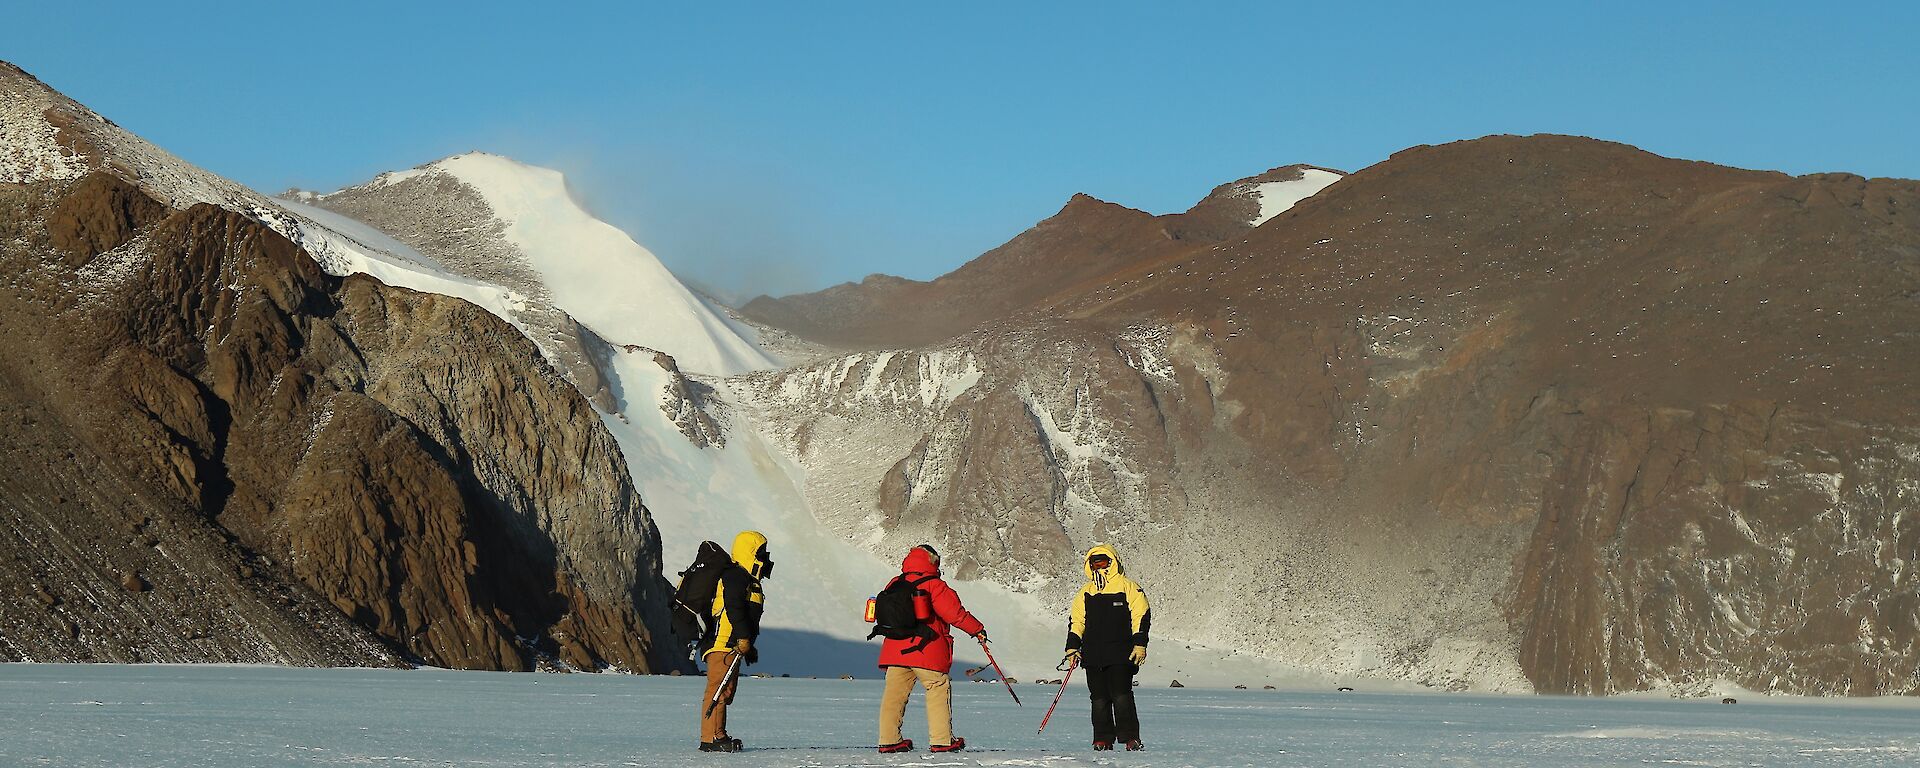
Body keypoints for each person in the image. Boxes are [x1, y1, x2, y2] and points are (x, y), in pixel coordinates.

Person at [876, 544, 987, 754]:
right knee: (937, 689)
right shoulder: (935, 585)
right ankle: (942, 740)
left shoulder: (895, 582)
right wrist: (978, 630)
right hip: (926, 648)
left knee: (893, 697)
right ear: (934, 561)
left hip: (895, 650)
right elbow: (955, 615)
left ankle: (889, 740)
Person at [1062, 544, 1150, 751]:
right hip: (1092, 654)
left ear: (1112, 562)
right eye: (1094, 562)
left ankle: (1130, 738)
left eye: (1102, 561)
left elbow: (1141, 616)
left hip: (1122, 653)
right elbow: (1077, 621)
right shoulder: (1085, 592)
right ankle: (1102, 739)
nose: (1098, 566)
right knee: (1098, 699)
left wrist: (1140, 644)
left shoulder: (1129, 587)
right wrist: (1072, 648)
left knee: (1121, 695)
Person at [698, 530, 771, 753]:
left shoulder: (745, 578)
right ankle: (710, 738)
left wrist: (748, 645)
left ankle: (718, 734)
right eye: (760, 552)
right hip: (723, 644)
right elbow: (733, 606)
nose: (764, 557)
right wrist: (742, 637)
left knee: (725, 691)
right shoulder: (735, 575)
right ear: (749, 552)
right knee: (718, 691)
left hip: (732, 646)